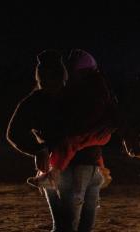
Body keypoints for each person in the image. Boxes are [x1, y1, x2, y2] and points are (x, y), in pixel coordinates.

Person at [7, 49, 114, 232]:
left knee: (82, 228)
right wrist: (38, 149)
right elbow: (13, 133)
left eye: (56, 74)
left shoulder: (70, 96)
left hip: (87, 167)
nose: (53, 79)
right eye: (47, 74)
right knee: (65, 227)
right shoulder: (35, 101)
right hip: (61, 169)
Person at [27, 49, 115, 191]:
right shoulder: (96, 84)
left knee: (70, 143)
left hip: (96, 129)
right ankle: (103, 173)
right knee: (84, 143)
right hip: (99, 130)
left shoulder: (92, 87)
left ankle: (53, 174)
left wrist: (78, 127)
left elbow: (94, 112)